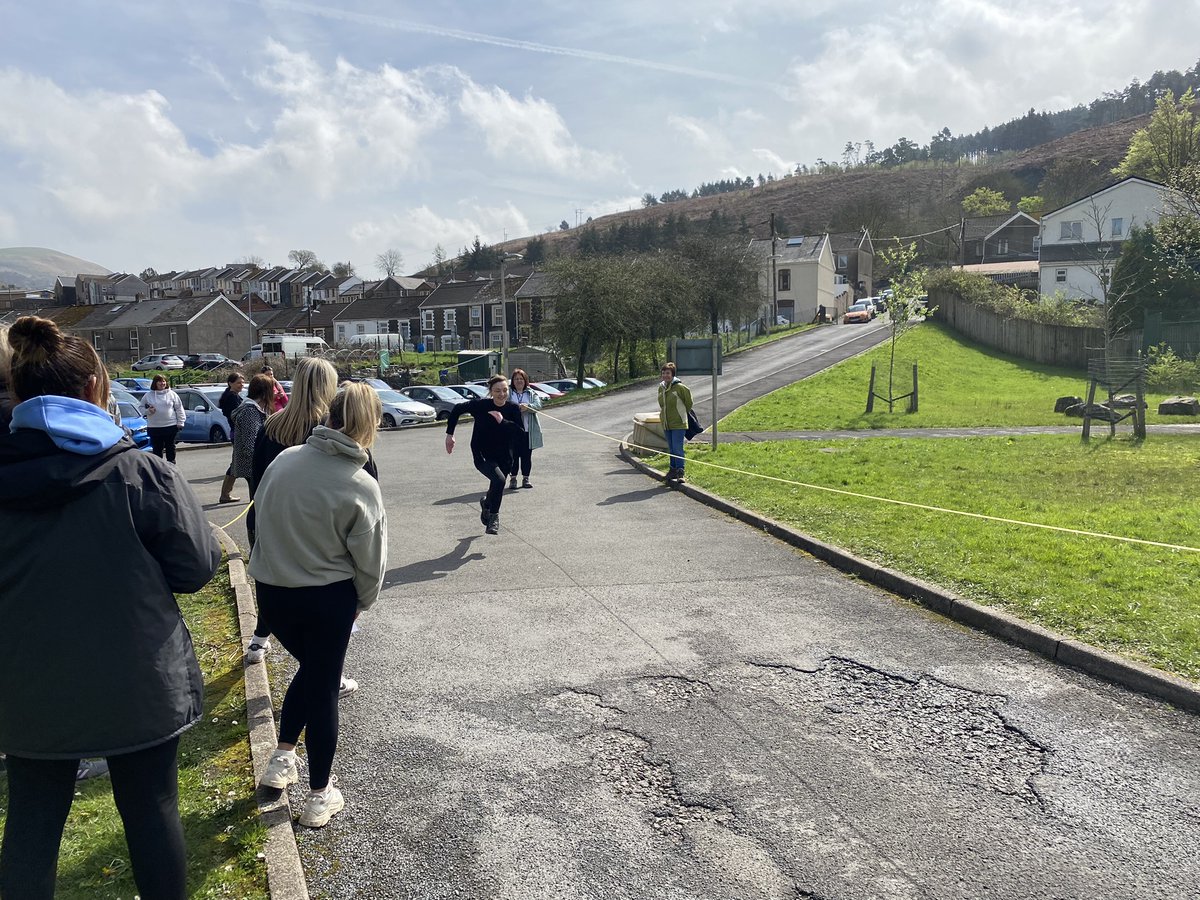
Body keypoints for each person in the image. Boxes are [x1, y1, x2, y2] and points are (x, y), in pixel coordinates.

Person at [0, 315, 220, 899]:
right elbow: (196, 568)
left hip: (25, 683)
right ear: (98, 391)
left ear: (16, 392)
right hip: (138, 679)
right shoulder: (141, 473)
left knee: (31, 822)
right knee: (151, 811)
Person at [248, 382, 387, 828]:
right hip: (327, 598)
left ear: (330, 415)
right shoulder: (360, 483)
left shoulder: (284, 460)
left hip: (274, 595)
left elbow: (258, 521)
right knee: (324, 687)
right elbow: (372, 560)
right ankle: (319, 794)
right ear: (371, 424)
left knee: (314, 672)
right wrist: (361, 602)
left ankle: (283, 756)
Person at [245, 359, 366, 700]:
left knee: (281, 598)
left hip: (272, 524)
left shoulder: (271, 426)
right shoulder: (330, 429)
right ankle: (328, 673)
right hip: (323, 533)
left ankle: (265, 639)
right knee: (325, 615)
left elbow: (257, 484)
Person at [445, 374, 521, 535]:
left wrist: (503, 422)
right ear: (491, 391)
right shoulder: (480, 406)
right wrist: (449, 434)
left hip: (506, 456)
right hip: (483, 454)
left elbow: (519, 433)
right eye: (497, 391)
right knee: (499, 480)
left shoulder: (513, 408)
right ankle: (493, 519)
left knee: (497, 484)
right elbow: (457, 409)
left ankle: (487, 503)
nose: (502, 394)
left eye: (505, 390)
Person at [230, 375, 273, 540]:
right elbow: (251, 444)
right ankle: (255, 540)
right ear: (264, 393)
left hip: (254, 466)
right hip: (252, 467)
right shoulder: (249, 412)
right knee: (256, 505)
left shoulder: (254, 409)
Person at [657, 361, 694, 484]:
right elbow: (662, 404)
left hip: (678, 423)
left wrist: (681, 414)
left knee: (678, 448)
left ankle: (680, 472)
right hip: (667, 423)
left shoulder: (680, 388)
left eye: (667, 373)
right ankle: (672, 470)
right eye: (663, 373)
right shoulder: (661, 387)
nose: (665, 375)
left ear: (672, 374)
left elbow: (689, 403)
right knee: (671, 448)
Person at [507, 368, 543, 490]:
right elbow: (503, 406)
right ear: (512, 381)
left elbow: (538, 406)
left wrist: (528, 407)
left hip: (528, 430)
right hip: (512, 431)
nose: (518, 381)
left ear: (525, 380)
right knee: (513, 456)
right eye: (516, 379)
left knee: (526, 456)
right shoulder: (508, 393)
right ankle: (513, 479)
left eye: (521, 379)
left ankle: (526, 478)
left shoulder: (531, 393)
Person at [140, 373, 186, 462]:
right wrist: (148, 411)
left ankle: (171, 466)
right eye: (159, 382)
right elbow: (141, 408)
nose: (162, 383)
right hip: (154, 427)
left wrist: (181, 422)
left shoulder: (172, 394)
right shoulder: (148, 395)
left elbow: (179, 408)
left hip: (170, 426)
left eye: (164, 381)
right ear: (155, 383)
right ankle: (159, 469)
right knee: (157, 449)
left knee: (170, 447)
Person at [218, 370, 246, 503]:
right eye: (238, 382)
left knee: (237, 463)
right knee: (237, 463)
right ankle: (225, 494)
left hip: (237, 432)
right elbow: (236, 416)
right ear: (230, 383)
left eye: (242, 382)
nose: (241, 384)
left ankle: (225, 494)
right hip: (238, 433)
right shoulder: (232, 397)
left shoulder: (234, 395)